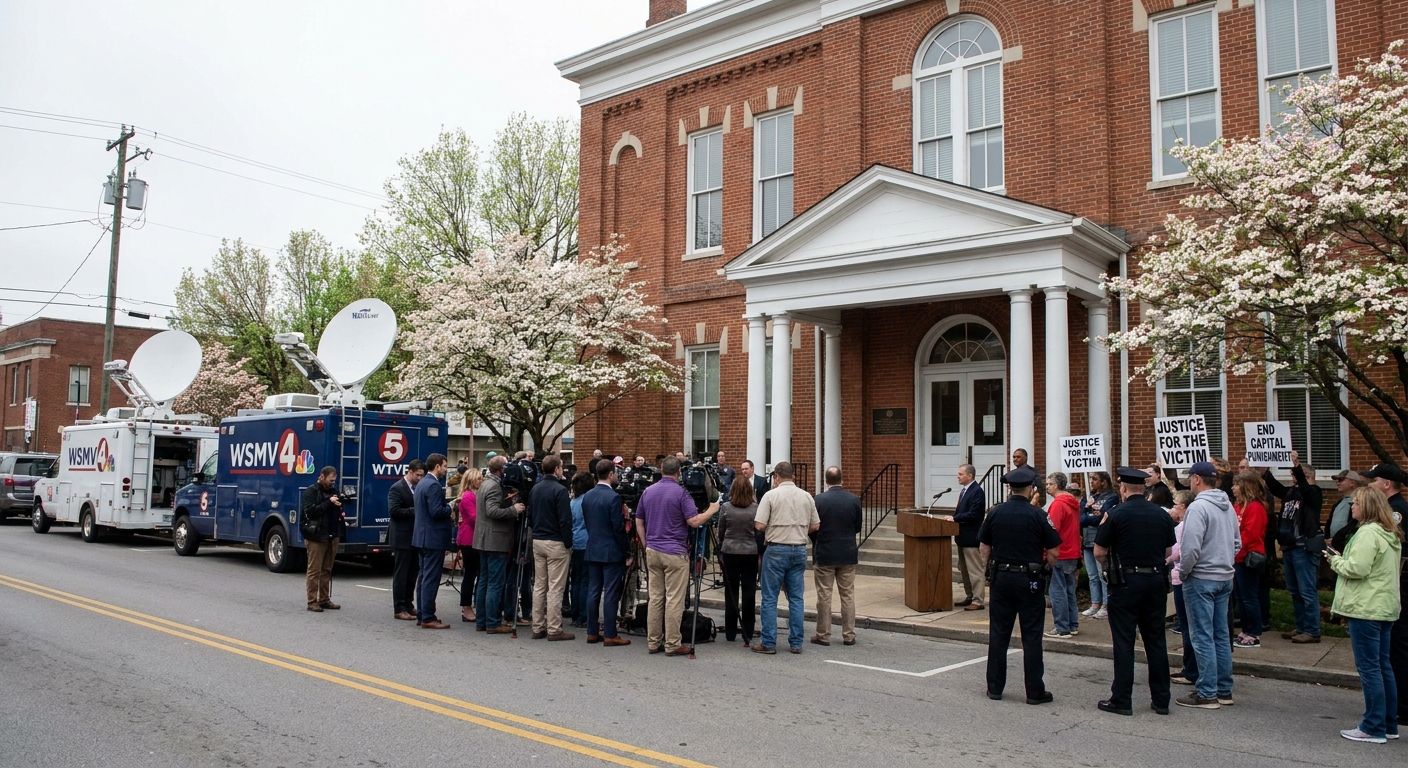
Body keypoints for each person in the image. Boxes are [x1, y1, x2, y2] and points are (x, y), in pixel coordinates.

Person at [1094, 467, 1177, 716]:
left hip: (1125, 582)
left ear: (1123, 488)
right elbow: (1167, 551)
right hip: (1154, 582)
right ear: (1144, 488)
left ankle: (1122, 699)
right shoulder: (1161, 515)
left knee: (1124, 642)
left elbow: (1099, 551)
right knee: (1156, 641)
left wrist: (1109, 570)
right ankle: (1161, 700)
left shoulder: (1115, 514)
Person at [1327, 486, 1403, 743]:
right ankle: (1388, 723)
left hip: (1365, 608)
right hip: (1384, 607)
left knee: (1370, 668)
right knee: (1383, 666)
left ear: (1367, 506)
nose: (1352, 506)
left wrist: (1335, 561)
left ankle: (1372, 726)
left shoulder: (1367, 532)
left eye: (1356, 502)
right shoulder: (1388, 532)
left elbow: (1357, 568)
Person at [979, 465, 1061, 704]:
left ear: (1009, 488)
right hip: (1030, 580)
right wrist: (1047, 568)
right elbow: (1054, 549)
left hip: (1001, 579)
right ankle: (1034, 692)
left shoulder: (995, 513)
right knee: (1032, 636)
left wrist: (990, 568)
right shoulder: (1038, 515)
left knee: (999, 634)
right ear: (1030, 489)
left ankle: (995, 688)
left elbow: (984, 547)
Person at [636, 456, 719, 656]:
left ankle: (653, 641)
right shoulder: (681, 493)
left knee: (655, 598)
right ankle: (672, 643)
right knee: (674, 600)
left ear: (661, 470)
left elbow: (639, 520)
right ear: (678, 472)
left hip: (653, 550)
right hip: (674, 552)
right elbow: (693, 521)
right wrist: (712, 509)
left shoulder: (648, 491)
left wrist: (647, 543)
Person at [1176, 461, 1240, 710]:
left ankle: (1207, 692)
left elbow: (1190, 547)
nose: (1189, 482)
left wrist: (1184, 571)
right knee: (1221, 635)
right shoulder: (1228, 506)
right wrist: (1223, 561)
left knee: (1202, 636)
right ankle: (1224, 689)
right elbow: (1237, 542)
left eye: (1190, 478)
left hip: (1201, 577)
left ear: (1197, 479)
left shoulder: (1198, 507)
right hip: (1224, 577)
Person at [753, 461, 820, 655]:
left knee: (769, 598)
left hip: (776, 549)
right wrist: (798, 530)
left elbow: (759, 525)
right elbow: (815, 525)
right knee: (796, 598)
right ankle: (796, 642)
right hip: (799, 548)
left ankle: (769, 641)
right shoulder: (806, 496)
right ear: (794, 476)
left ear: (776, 477)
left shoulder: (770, 495)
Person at [1360, 463, 1408, 731]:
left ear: (1386, 484)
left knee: (1394, 650)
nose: (1369, 484)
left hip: (1395, 585)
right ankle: (1392, 710)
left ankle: (1399, 707)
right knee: (1387, 654)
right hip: (1392, 586)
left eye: (1373, 480)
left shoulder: (1396, 511)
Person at [1264, 453, 1324, 643]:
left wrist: (1296, 465)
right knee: (1295, 590)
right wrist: (1265, 471)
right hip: (1289, 547)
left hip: (1303, 548)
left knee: (1307, 591)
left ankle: (1313, 630)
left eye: (1296, 477)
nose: (1293, 480)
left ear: (1306, 477)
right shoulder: (1291, 494)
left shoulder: (1313, 493)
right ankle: (1301, 627)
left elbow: (1307, 491)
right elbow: (1276, 488)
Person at [811, 466, 862, 647]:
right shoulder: (854, 500)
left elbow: (813, 526)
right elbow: (857, 527)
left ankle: (823, 635)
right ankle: (849, 634)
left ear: (826, 481)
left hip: (825, 552)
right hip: (847, 552)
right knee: (847, 595)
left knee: (824, 595)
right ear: (842, 479)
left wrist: (816, 542)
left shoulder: (819, 500)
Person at [474, 455, 525, 634]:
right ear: (501, 470)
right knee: (494, 584)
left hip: (483, 538)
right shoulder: (494, 486)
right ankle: (493, 623)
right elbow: (492, 510)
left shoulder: (485, 484)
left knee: (484, 582)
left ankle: (482, 621)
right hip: (495, 540)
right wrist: (514, 509)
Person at [583, 461, 632, 646]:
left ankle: (592, 631)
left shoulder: (587, 496)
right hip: (611, 550)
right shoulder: (613, 498)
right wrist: (627, 551)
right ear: (610, 474)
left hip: (593, 547)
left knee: (594, 591)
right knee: (611, 593)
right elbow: (618, 528)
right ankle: (611, 633)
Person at [529, 455, 575, 641]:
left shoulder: (535, 489)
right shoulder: (560, 490)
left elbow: (530, 516)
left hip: (538, 539)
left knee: (540, 585)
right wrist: (568, 541)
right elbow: (565, 519)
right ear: (556, 469)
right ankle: (554, 628)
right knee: (555, 587)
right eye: (561, 467)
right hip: (555, 541)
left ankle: (537, 626)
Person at [716, 475, 760, 644]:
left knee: (731, 592)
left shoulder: (726, 507)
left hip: (730, 551)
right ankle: (748, 631)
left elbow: (721, 530)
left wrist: (722, 544)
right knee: (749, 593)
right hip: (749, 552)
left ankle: (730, 632)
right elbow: (758, 531)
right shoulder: (755, 508)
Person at [412, 454, 453, 629]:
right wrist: (450, 507)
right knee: (430, 578)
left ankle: (422, 614)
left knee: (423, 577)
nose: (446, 469)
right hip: (433, 538)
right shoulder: (434, 485)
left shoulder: (421, 483)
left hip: (421, 537)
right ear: (437, 466)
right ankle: (428, 617)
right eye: (444, 466)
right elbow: (436, 511)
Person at [1231, 471, 1270, 649]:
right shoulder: (1239, 506)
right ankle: (1246, 630)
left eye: (1237, 485)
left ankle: (1253, 633)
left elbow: (1250, 535)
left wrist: (1235, 549)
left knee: (1249, 596)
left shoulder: (1255, 507)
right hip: (1237, 557)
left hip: (1247, 557)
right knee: (1240, 595)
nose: (1233, 488)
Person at [301, 466, 347, 612]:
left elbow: (336, 509)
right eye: (330, 480)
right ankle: (312, 601)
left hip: (332, 534)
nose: (332, 483)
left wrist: (339, 503)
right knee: (314, 570)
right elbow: (310, 511)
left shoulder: (334, 491)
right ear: (322, 477)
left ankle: (325, 599)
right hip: (316, 536)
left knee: (327, 569)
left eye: (334, 481)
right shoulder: (311, 491)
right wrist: (329, 502)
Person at [1044, 472, 1082, 639]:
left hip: (1060, 553)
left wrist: (1045, 552)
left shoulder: (1058, 505)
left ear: (1057, 486)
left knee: (1057, 592)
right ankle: (1072, 624)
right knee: (1069, 591)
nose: (1047, 486)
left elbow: (1052, 531)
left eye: (1049, 484)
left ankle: (1061, 627)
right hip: (1072, 551)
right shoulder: (1073, 503)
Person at [387, 460, 425, 621]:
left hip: (415, 536)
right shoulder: (397, 488)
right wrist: (416, 510)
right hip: (402, 537)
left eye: (422, 475)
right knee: (401, 573)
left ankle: (409, 604)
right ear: (410, 472)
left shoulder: (418, 488)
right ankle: (399, 607)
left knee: (412, 574)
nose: (419, 478)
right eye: (417, 475)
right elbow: (394, 510)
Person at [946, 463, 987, 611]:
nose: (958, 476)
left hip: (971, 537)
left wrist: (955, 518)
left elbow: (974, 514)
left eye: (960, 474)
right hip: (962, 537)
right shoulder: (965, 491)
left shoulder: (976, 491)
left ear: (970, 476)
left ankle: (978, 600)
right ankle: (970, 596)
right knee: (964, 570)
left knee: (974, 570)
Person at [1169, 490, 1198, 686]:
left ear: (1183, 506)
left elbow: (1177, 552)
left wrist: (1166, 558)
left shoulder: (1182, 527)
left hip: (1182, 578)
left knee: (1188, 627)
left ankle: (1190, 670)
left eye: (1175, 504)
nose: (1172, 507)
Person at [1081, 471, 1116, 621]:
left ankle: (1106, 606)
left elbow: (1103, 517)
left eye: (1094, 479)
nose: (1091, 482)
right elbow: (1080, 519)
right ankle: (1095, 603)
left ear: (1103, 481)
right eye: (1090, 479)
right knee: (1092, 576)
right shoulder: (1088, 497)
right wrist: (1089, 511)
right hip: (1087, 540)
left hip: (1100, 540)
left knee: (1103, 575)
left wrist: (1091, 515)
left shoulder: (1111, 497)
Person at [567, 470, 594, 628]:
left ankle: (575, 613)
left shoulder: (573, 502)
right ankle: (583, 615)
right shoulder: (589, 500)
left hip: (575, 541)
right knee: (586, 581)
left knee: (575, 580)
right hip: (587, 542)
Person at [454, 467, 481, 623]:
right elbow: (473, 518)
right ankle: (466, 607)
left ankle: (472, 605)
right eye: (478, 479)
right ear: (471, 480)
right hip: (468, 539)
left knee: (474, 573)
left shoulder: (472, 496)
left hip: (473, 538)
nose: (481, 481)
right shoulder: (468, 496)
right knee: (470, 574)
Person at [1328, 470, 1366, 553]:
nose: (1337, 482)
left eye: (1341, 480)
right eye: (1336, 480)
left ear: (1352, 482)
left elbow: (1354, 525)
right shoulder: (1338, 503)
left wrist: (1336, 539)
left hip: (1349, 547)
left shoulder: (1361, 503)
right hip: (1335, 547)